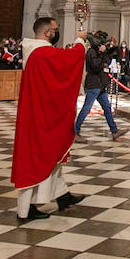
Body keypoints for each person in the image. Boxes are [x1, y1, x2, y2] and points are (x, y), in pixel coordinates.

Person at [13, 17, 89, 223]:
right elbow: (68, 61)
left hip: (37, 112)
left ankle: (62, 196)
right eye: (55, 30)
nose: (56, 33)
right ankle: (25, 210)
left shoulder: (34, 50)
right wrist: (80, 41)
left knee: (51, 157)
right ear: (47, 32)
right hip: (42, 117)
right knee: (38, 159)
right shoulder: (43, 53)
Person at [75, 30, 129, 140]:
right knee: (86, 108)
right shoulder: (91, 52)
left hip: (100, 85)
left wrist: (107, 51)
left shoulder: (99, 52)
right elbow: (96, 66)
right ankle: (75, 131)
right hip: (94, 83)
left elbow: (108, 61)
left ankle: (114, 131)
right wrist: (101, 54)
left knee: (107, 108)